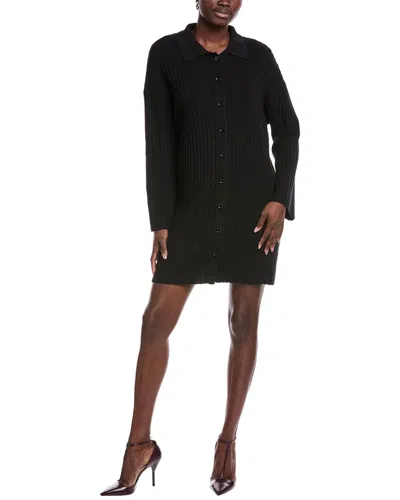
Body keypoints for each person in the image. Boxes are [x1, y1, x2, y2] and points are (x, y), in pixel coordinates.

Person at [100, 0, 300, 496]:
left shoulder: (258, 57)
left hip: (254, 212)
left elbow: (287, 128)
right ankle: (138, 445)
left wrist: (281, 198)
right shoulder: (166, 54)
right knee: (154, 322)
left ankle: (227, 443)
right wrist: (161, 220)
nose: (224, 1)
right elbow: (158, 139)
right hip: (189, 209)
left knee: (244, 322)